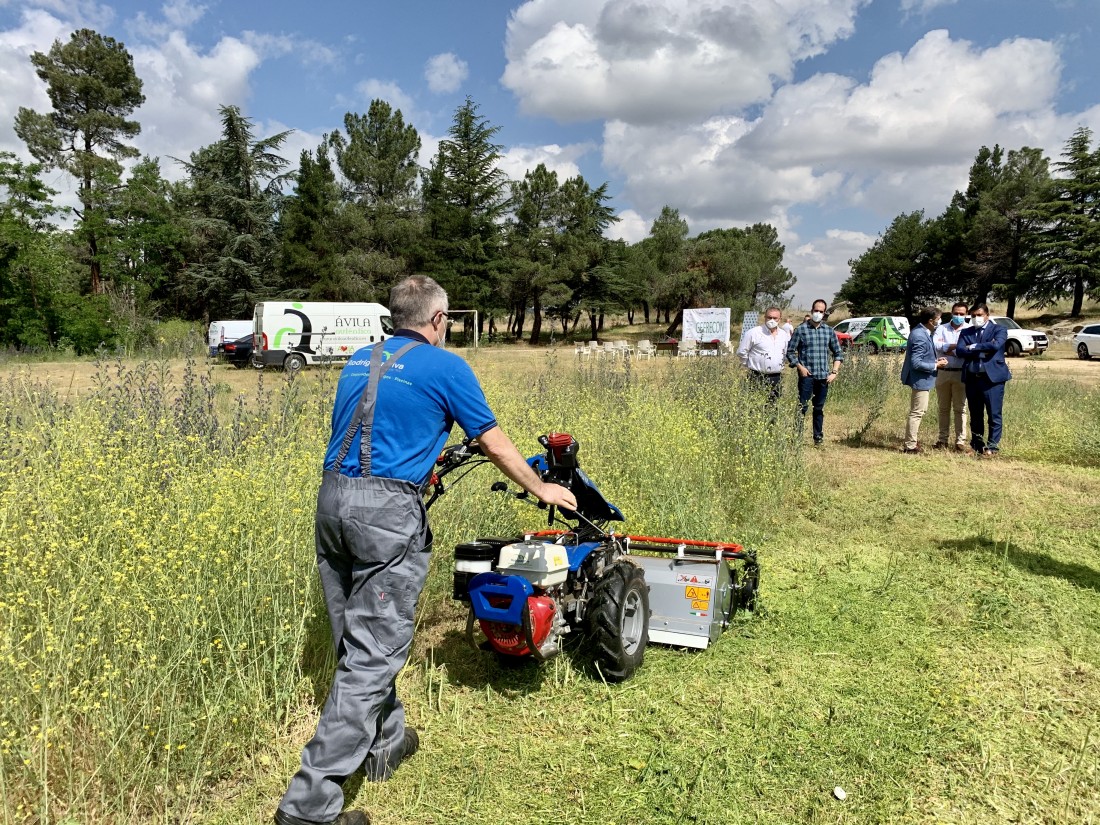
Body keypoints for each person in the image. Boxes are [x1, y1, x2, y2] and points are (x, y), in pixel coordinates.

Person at [275, 276, 577, 825]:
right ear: (438, 319)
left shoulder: (359, 360)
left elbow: (373, 429)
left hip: (332, 501)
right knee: (373, 651)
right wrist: (542, 488)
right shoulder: (446, 367)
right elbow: (492, 441)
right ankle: (309, 806)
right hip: (387, 513)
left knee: (356, 637)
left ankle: (386, 740)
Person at [954, 303, 1011, 457]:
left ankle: (992, 447)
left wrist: (972, 347)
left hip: (992, 379)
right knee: (975, 415)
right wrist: (983, 349)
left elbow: (996, 346)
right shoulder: (966, 331)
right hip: (972, 378)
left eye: (979, 315)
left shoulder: (999, 329)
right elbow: (960, 350)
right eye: (973, 316)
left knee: (994, 414)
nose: (976, 318)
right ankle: (976, 445)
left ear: (987, 315)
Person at [786, 299, 844, 446]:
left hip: (823, 377)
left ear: (824, 313)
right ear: (811, 311)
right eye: (816, 310)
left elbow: (838, 353)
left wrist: (834, 372)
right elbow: (790, 351)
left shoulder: (829, 331)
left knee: (818, 408)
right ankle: (797, 438)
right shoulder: (801, 330)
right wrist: (800, 367)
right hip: (807, 376)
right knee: (802, 407)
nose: (818, 313)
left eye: (821, 311)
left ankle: (818, 437)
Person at [899, 306, 949, 454]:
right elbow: (916, 363)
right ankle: (910, 446)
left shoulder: (923, 332)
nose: (940, 321)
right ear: (931, 321)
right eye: (938, 319)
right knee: (917, 412)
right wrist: (936, 365)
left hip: (922, 379)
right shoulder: (920, 335)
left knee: (919, 410)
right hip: (919, 379)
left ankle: (912, 441)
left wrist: (935, 360)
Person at [931, 302, 970, 453]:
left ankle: (960, 441)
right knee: (943, 408)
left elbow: (968, 350)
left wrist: (947, 347)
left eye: (962, 314)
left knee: (960, 409)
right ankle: (942, 440)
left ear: (966, 314)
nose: (958, 316)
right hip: (943, 372)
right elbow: (935, 345)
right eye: (956, 313)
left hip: (961, 373)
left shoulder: (969, 329)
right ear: (951, 313)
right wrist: (956, 347)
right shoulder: (941, 328)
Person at [737, 306, 791, 402]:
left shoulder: (783, 335)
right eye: (769, 317)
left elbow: (785, 352)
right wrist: (749, 364)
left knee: (774, 405)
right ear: (764, 317)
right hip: (757, 376)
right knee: (755, 404)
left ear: (780, 319)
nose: (772, 320)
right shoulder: (753, 333)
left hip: (776, 377)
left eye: (775, 318)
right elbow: (742, 352)